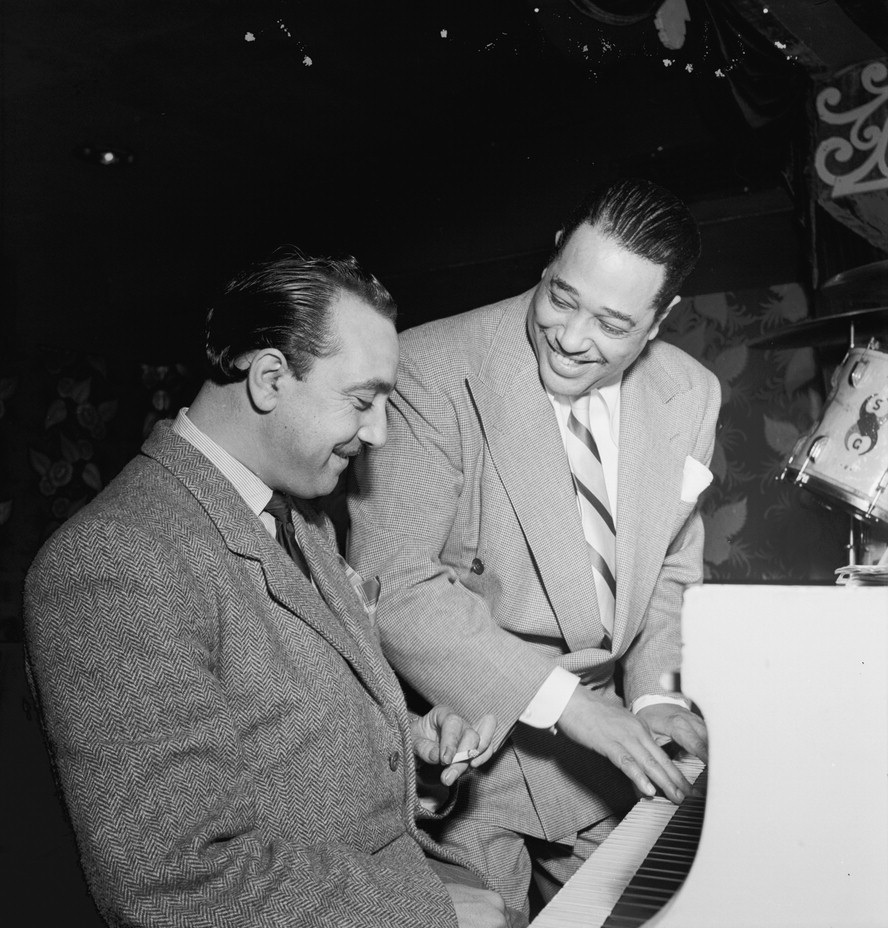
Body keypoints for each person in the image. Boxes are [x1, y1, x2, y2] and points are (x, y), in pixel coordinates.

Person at [23, 248, 524, 928]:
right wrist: (431, 911)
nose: (378, 432)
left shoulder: (302, 520)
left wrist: (411, 753)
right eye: (362, 401)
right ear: (267, 378)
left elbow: (287, 742)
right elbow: (174, 883)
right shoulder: (112, 561)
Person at [348, 178, 720, 915]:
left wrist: (652, 696)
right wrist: (568, 706)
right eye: (561, 297)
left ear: (661, 319)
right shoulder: (429, 366)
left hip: (607, 752)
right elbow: (397, 586)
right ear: (552, 255)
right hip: (462, 755)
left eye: (612, 324)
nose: (572, 338)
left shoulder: (693, 391)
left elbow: (671, 568)